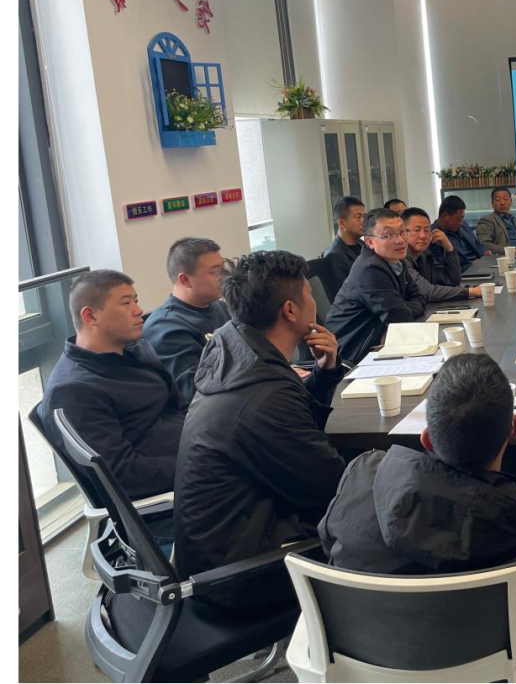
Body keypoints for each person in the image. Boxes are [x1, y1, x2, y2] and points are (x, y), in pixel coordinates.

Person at [321, 355, 516, 682]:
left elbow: (330, 549)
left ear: (426, 437)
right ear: (515, 428)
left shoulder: (360, 477)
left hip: (370, 664)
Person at [174, 250, 346, 610]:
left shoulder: (231, 346)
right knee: (377, 515)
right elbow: (330, 488)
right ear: (291, 310)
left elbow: (290, 429)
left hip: (228, 544)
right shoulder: (264, 395)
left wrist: (325, 373)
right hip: (242, 578)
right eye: (309, 294)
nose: (315, 301)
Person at [39, 270, 187, 500]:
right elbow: (121, 474)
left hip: (197, 451)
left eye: (136, 301)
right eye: (126, 303)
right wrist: (203, 464)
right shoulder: (74, 390)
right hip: (178, 491)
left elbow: (180, 406)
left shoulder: (133, 352)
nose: (138, 310)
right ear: (90, 316)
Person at [326, 209, 427, 364]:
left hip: (380, 341)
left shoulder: (395, 260)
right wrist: (407, 308)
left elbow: (418, 296)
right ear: (370, 242)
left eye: (402, 232)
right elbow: (400, 317)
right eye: (388, 235)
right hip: (353, 353)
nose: (400, 240)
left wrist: (407, 307)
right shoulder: (370, 270)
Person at [143, 237, 230, 401]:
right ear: (185, 280)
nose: (224, 277)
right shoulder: (166, 328)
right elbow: (195, 390)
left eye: (223, 268)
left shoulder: (223, 308)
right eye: (215, 272)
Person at [402, 207, 482, 302]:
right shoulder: (401, 260)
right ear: (403, 233)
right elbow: (427, 292)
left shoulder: (425, 255)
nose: (423, 236)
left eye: (427, 230)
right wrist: (471, 292)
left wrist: (449, 248)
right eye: (417, 230)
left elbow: (452, 281)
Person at [320, 196, 366, 300]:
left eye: (364, 216)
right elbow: (344, 295)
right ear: (342, 223)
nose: (364, 221)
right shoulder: (334, 255)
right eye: (358, 217)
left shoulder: (362, 244)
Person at [432, 195, 490, 270]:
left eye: (462, 218)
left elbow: (476, 243)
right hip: (465, 273)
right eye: (458, 219)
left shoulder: (463, 225)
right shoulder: (435, 236)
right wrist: (471, 265)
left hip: (481, 265)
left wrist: (485, 253)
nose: (461, 223)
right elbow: (444, 268)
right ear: (445, 215)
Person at [476, 187, 516, 256]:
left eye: (505, 199)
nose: (502, 203)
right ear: (492, 203)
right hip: (503, 259)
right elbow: (484, 244)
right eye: (498, 200)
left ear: (511, 202)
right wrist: (509, 251)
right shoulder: (487, 220)